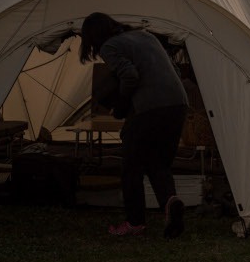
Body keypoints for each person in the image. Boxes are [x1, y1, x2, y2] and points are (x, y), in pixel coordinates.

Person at [79, 12, 189, 238]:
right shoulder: (145, 36)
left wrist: (120, 104)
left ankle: (135, 222)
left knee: (131, 167)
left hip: (150, 107)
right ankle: (170, 203)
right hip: (178, 104)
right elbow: (172, 70)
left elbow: (130, 75)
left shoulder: (109, 46)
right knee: (159, 164)